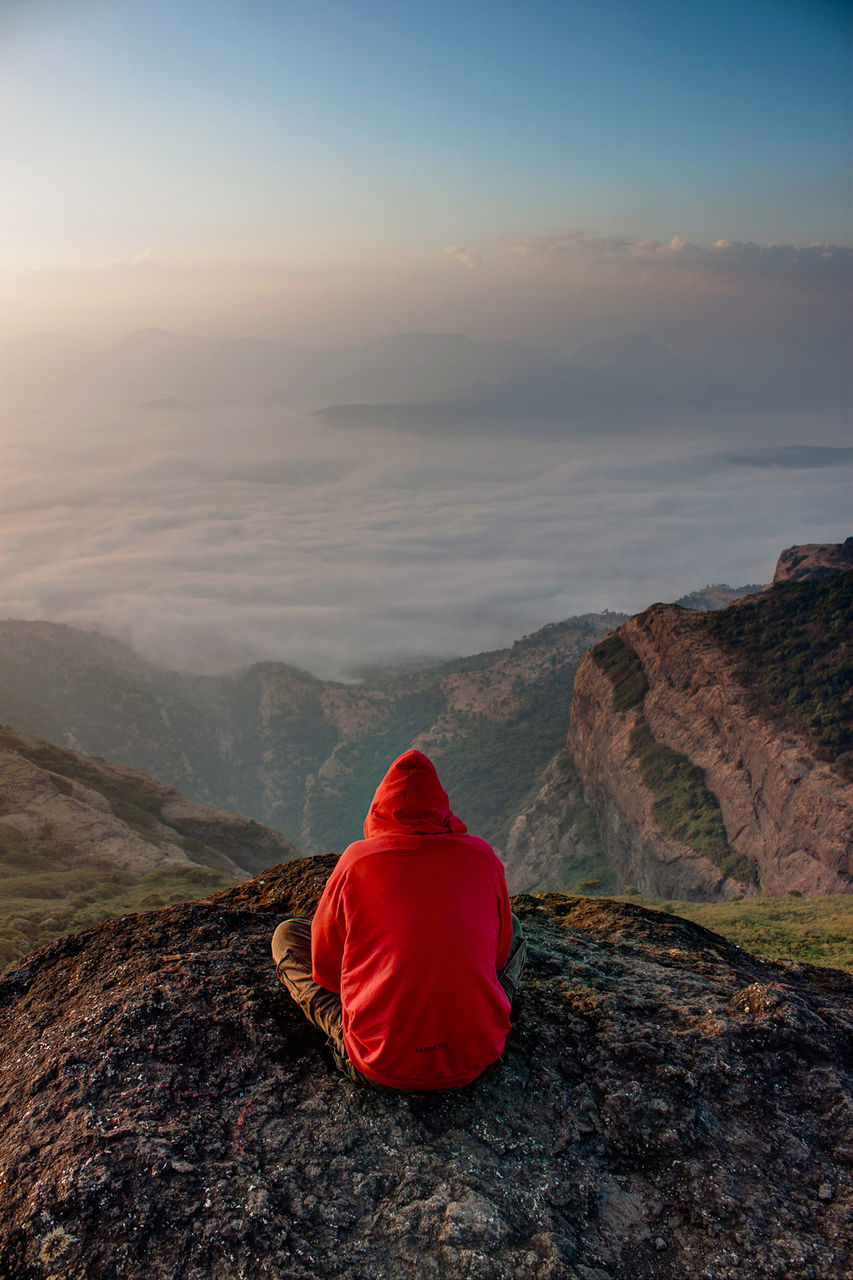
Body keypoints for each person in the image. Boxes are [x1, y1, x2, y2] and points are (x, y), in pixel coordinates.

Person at [271, 748, 526, 1091]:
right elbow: (497, 959)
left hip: (379, 1065)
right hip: (475, 1060)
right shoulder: (482, 856)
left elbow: (328, 973)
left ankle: (353, 1034)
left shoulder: (355, 863)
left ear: (378, 808)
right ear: (442, 809)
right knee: (513, 926)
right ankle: (485, 1015)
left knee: (287, 937)